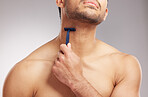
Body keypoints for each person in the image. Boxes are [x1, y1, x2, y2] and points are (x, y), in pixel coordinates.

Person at [3, 0, 142, 97]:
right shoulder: (24, 73)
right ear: (60, 1)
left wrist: (77, 82)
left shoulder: (125, 67)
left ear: (105, 13)